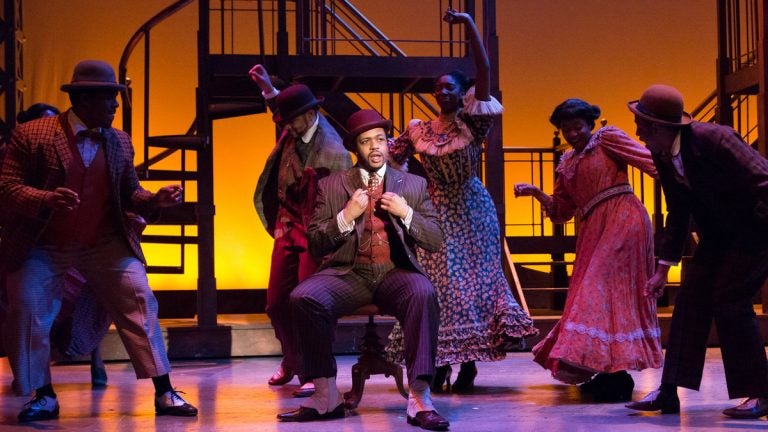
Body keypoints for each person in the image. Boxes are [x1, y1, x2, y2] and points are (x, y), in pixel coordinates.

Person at [0, 59, 197, 421]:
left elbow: (129, 194)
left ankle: (164, 391)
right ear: (85, 99)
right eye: (110, 98)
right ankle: (43, 395)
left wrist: (156, 200)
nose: (116, 106)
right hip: (44, 242)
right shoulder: (33, 135)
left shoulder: (119, 141)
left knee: (139, 299)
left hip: (101, 241)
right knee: (29, 308)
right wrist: (46, 199)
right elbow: (7, 188)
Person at [386, 8, 538, 393]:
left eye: (449, 88)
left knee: (472, 286)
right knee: (438, 284)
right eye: (437, 88)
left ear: (461, 91)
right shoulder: (420, 130)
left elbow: (484, 71)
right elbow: (391, 157)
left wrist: (470, 24)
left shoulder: (473, 122)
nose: (442, 93)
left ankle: (467, 361)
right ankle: (437, 361)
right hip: (435, 210)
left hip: (472, 210)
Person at [277, 109, 449, 431]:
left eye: (380, 140)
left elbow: (435, 240)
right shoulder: (332, 186)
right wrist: (345, 216)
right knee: (304, 297)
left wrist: (406, 212)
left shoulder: (412, 184)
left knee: (423, 293)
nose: (375, 147)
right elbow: (316, 244)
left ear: (388, 144)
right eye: (366, 141)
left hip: (395, 272)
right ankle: (325, 396)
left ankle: (420, 398)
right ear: (356, 148)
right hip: (350, 273)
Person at [624, 84, 768, 418]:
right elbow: (678, 211)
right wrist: (662, 269)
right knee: (689, 300)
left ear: (659, 127)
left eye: (641, 125)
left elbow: (763, 179)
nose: (637, 132)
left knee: (730, 299)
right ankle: (669, 391)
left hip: (755, 232)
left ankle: (761, 393)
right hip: (718, 235)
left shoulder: (714, 140)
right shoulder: (663, 154)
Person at [513, 99, 662, 402]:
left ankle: (616, 373)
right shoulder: (567, 161)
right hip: (593, 226)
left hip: (623, 217)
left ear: (589, 124)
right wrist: (535, 192)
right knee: (595, 296)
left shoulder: (606, 139)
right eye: (565, 129)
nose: (572, 134)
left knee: (598, 291)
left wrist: (689, 181)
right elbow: (561, 211)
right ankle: (608, 371)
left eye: (577, 127)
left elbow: (649, 162)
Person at [249, 64, 352, 397]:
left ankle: (314, 370)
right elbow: (286, 104)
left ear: (311, 115)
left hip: (317, 233)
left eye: (292, 120)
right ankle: (292, 359)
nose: (287, 126)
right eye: (285, 121)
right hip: (287, 226)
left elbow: (339, 206)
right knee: (276, 302)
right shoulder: (295, 126)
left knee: (309, 301)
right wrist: (268, 88)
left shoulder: (333, 152)